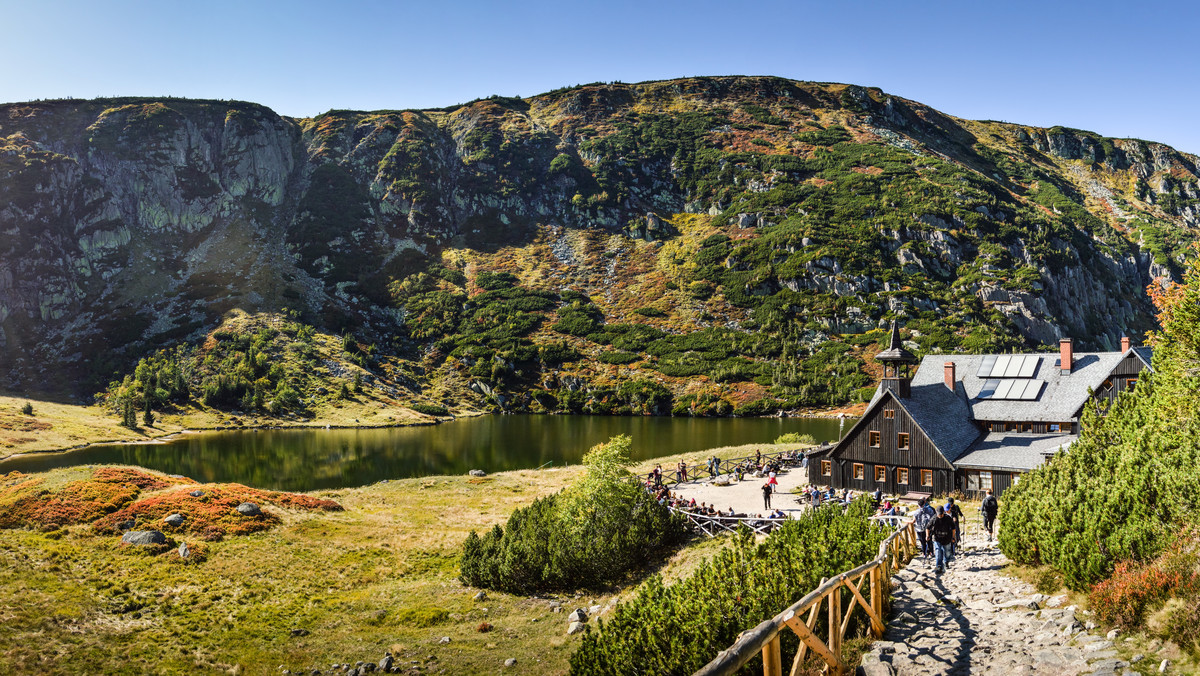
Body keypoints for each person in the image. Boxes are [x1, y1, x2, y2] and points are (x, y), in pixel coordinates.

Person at [930, 506, 956, 574]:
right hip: (937, 538)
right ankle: (938, 566)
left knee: (947, 552)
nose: (940, 515)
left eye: (941, 514)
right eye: (939, 514)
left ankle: (946, 562)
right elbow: (927, 527)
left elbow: (953, 528)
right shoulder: (934, 518)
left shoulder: (948, 518)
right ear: (936, 513)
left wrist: (953, 537)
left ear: (944, 512)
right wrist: (927, 536)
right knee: (938, 551)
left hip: (947, 538)